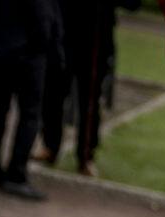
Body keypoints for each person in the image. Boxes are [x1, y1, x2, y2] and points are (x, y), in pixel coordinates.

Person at [34, 0, 137, 177]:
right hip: (65, 33)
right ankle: (50, 144)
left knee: (90, 101)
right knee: (54, 93)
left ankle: (86, 155)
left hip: (96, 38)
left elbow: (133, 4)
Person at [0, 0, 63, 200]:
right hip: (28, 49)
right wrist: (46, 42)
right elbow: (42, 12)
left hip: (2, 42)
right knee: (29, 114)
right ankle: (16, 174)